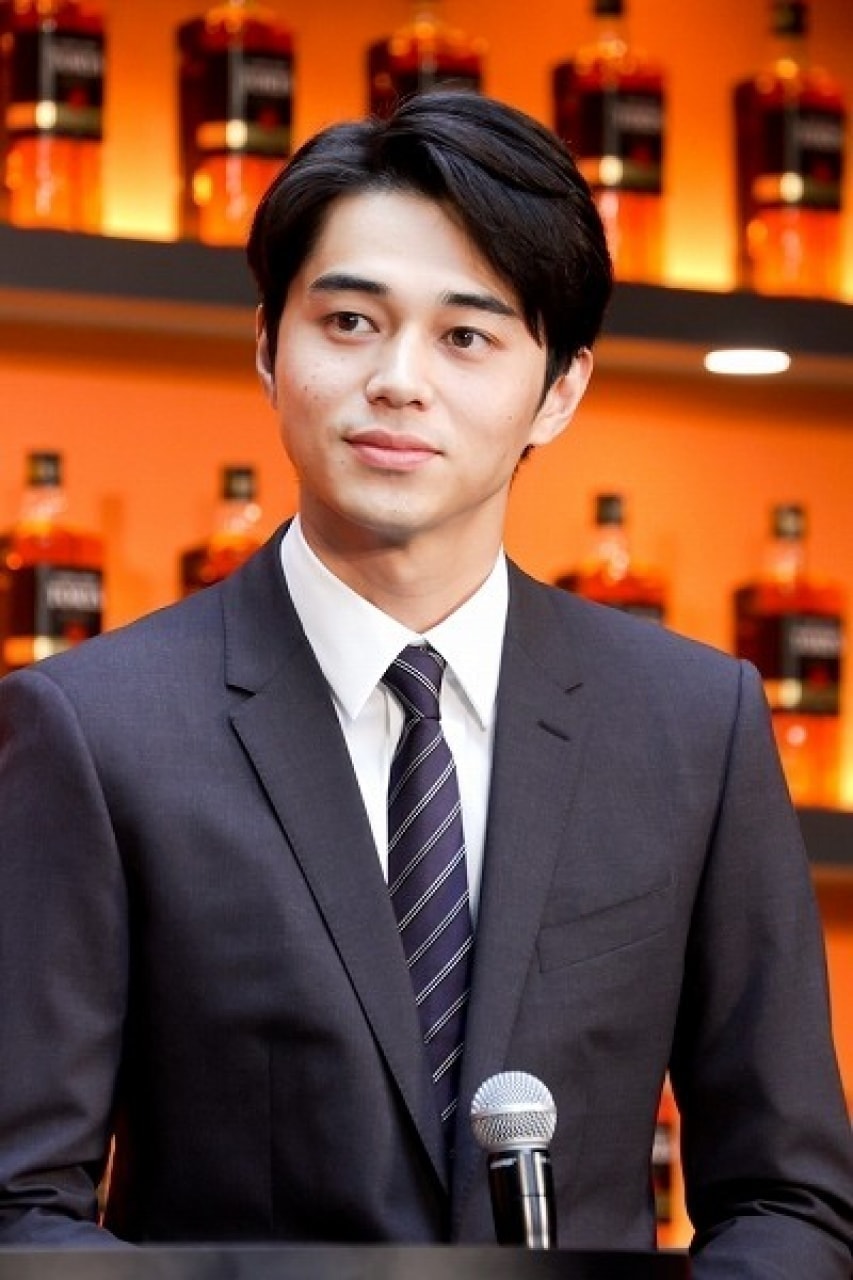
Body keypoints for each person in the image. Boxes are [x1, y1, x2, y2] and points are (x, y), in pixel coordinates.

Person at [0, 90, 851, 1276]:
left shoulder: (691, 724)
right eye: (349, 320)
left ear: (560, 387)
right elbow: (18, 1206)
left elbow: (787, 1196)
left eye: (465, 336)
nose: (398, 380)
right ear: (268, 345)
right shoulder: (95, 728)